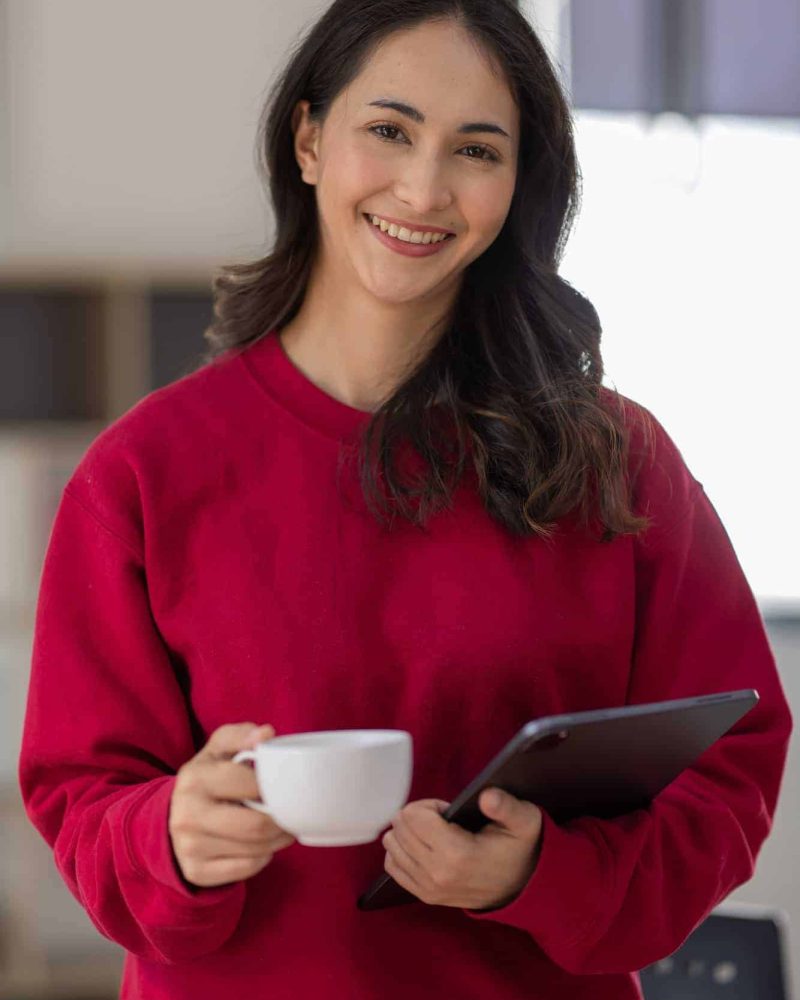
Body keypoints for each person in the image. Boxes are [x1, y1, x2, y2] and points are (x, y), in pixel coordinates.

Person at [17, 0, 793, 997]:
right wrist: (167, 834)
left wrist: (544, 874)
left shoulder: (615, 461)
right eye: (388, 130)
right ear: (308, 140)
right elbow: (81, 796)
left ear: (518, 181)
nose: (423, 189)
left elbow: (729, 760)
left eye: (476, 150)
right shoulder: (141, 473)